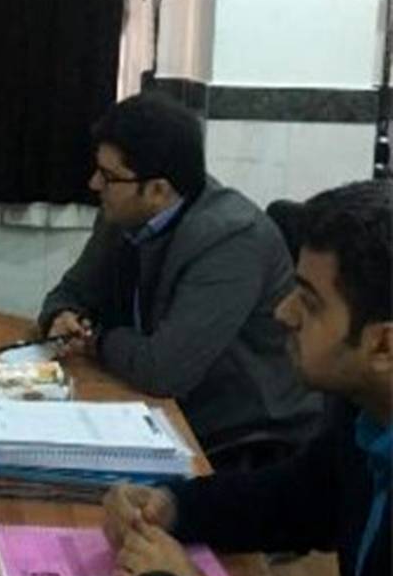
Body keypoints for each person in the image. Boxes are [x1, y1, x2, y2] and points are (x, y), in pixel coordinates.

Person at [103, 179, 392, 576]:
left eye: (309, 302)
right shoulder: (368, 411)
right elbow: (296, 498)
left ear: (383, 345)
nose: (283, 313)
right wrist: (174, 505)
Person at [39, 94, 320, 466]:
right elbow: (70, 292)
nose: (94, 184)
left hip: (240, 432)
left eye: (108, 176)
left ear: (158, 190)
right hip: (152, 405)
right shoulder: (122, 213)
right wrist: (61, 316)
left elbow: (164, 370)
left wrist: (94, 339)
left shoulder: (233, 239)